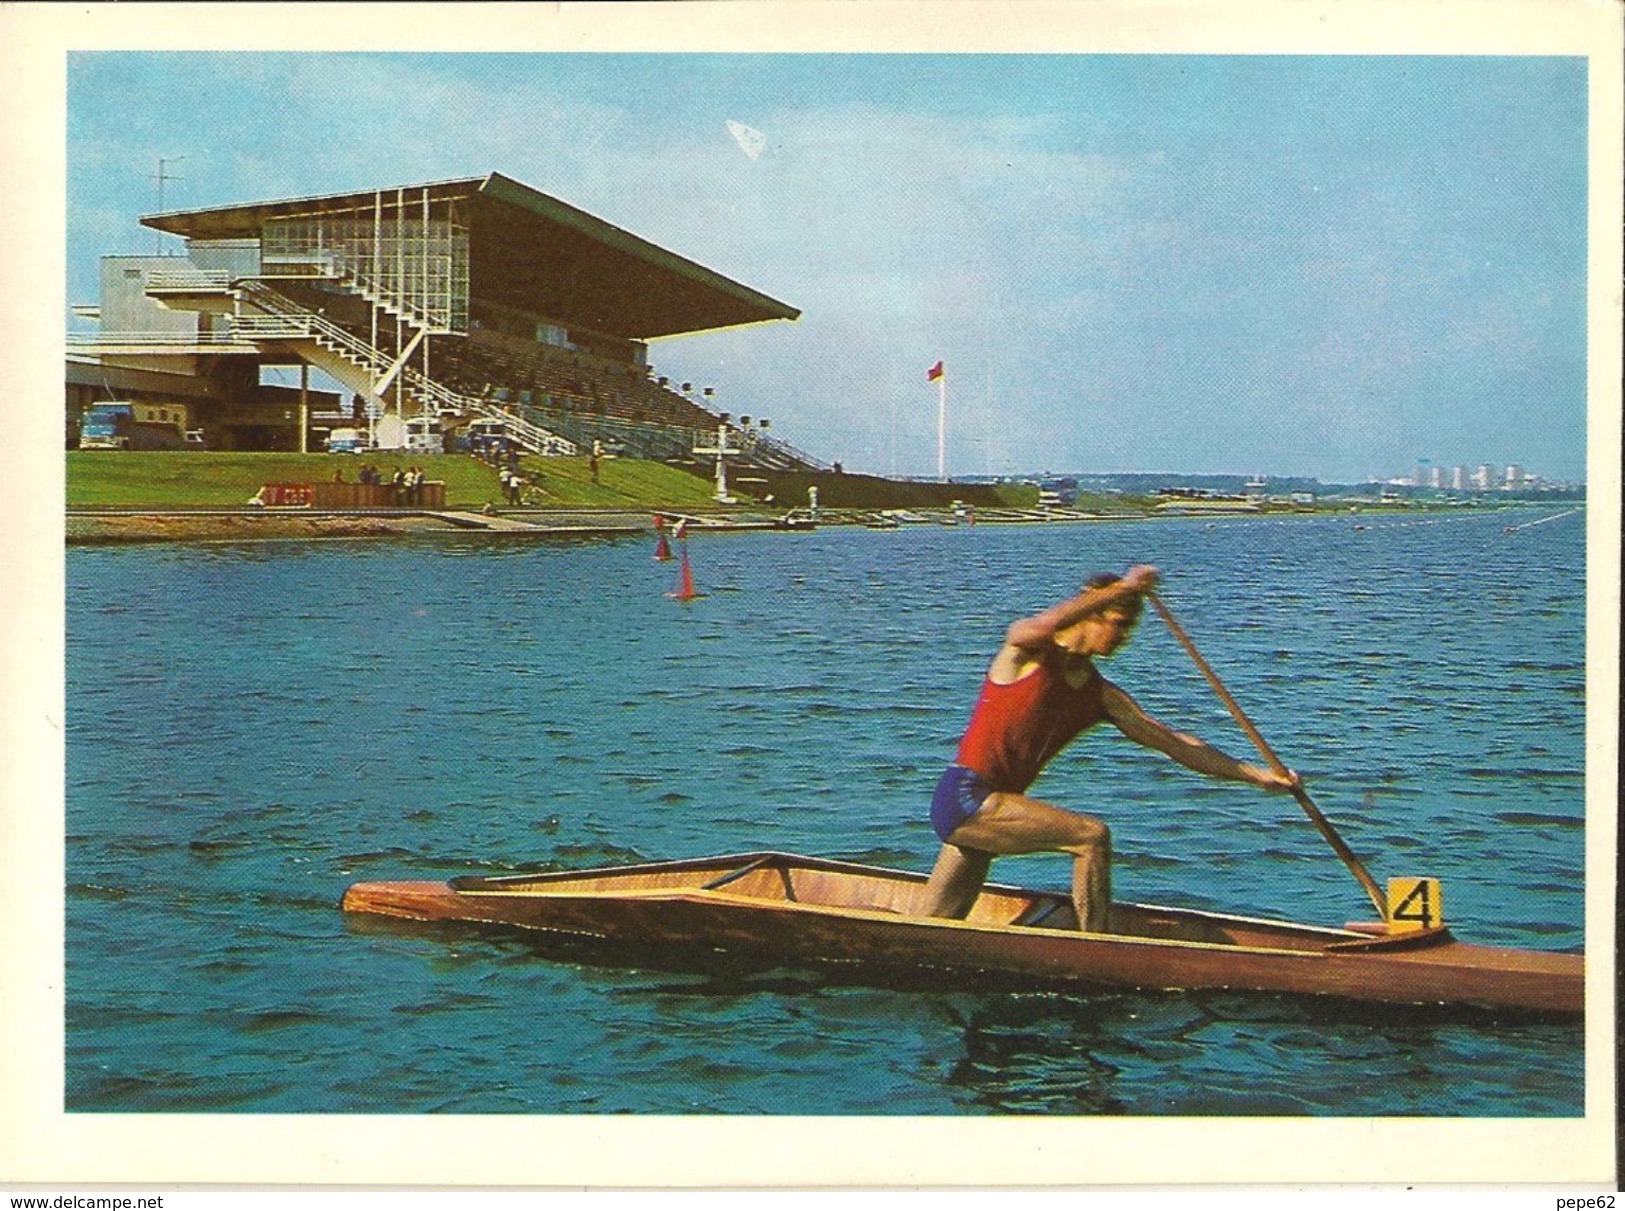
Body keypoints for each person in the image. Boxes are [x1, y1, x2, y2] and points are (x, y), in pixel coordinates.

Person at [920, 565, 1300, 933]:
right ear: (1092, 615)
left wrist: (1257, 776)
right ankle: (1097, 948)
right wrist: (1124, 588)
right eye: (1119, 624)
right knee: (1090, 836)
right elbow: (1040, 626)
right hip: (966, 797)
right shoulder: (1028, 654)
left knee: (933, 926)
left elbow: (1176, 743)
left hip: (992, 806)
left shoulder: (1100, 695)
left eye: (1130, 628)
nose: (1124, 638)